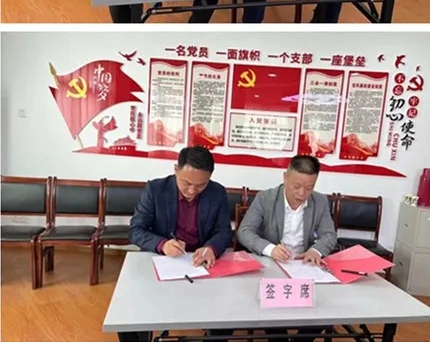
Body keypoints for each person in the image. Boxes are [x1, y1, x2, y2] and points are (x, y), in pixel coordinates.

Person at [119, 146, 233, 342]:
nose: (192, 191)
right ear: (176, 170)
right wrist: (162, 244)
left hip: (200, 265)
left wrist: (211, 248)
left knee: (227, 314)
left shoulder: (217, 193)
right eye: (187, 183)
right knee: (128, 312)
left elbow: (224, 231)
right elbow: (136, 230)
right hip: (162, 261)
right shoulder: (155, 190)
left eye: (201, 185)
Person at [237, 155, 337, 342]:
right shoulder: (265, 198)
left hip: (304, 265)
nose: (302, 193)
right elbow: (244, 231)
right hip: (272, 264)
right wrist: (270, 249)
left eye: (309, 187)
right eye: (296, 186)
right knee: (274, 306)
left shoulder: (320, 201)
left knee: (323, 308)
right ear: (285, 177)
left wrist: (315, 251)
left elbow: (329, 235)